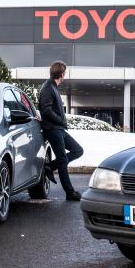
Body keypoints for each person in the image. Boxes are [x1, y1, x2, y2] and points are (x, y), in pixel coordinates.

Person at [38, 61, 84, 201]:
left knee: (78, 150)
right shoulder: (47, 88)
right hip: (53, 129)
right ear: (62, 74)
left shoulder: (53, 87)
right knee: (63, 160)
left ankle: (49, 167)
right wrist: (60, 120)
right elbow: (46, 110)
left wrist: (61, 122)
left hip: (59, 129)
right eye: (64, 73)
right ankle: (70, 193)